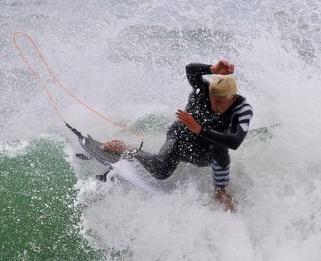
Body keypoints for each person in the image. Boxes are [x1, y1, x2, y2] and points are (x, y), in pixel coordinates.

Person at [103, 59, 253, 212]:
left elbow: (235, 142)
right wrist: (213, 68)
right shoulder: (204, 89)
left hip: (205, 151)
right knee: (160, 171)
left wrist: (199, 130)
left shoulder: (243, 109)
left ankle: (220, 190)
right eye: (213, 101)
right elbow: (191, 70)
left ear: (233, 98)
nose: (215, 107)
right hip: (181, 139)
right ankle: (126, 148)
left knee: (220, 146)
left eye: (220, 103)